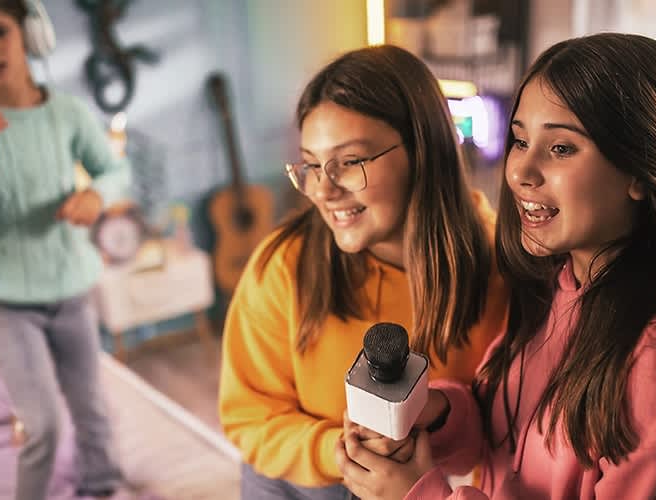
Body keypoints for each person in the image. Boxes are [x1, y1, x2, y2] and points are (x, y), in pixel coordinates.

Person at [336, 32, 656, 500]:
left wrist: (418, 495)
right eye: (520, 140)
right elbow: (512, 428)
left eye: (560, 148)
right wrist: (431, 415)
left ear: (639, 170)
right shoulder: (563, 282)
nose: (520, 172)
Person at [218, 45, 510, 500]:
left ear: (423, 148)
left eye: (350, 161)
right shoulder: (283, 265)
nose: (323, 190)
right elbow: (249, 417)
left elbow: (499, 428)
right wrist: (335, 451)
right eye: (312, 166)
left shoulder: (503, 269)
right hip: (298, 484)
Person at [0, 1, 132, 498]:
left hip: (71, 292)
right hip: (5, 303)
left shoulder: (67, 113)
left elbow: (114, 170)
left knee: (94, 413)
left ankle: (101, 488)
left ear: (29, 33)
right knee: (42, 426)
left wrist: (95, 195)